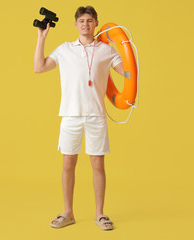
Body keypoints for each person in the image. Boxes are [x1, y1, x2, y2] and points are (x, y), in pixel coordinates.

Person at [33, 6, 124, 230]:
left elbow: (128, 72)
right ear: (75, 24)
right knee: (67, 164)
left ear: (96, 24)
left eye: (90, 20)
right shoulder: (65, 49)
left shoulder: (106, 50)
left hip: (96, 115)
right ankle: (68, 212)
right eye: (81, 20)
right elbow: (39, 67)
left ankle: (100, 214)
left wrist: (126, 49)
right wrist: (41, 38)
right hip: (70, 115)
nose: (85, 24)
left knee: (98, 165)